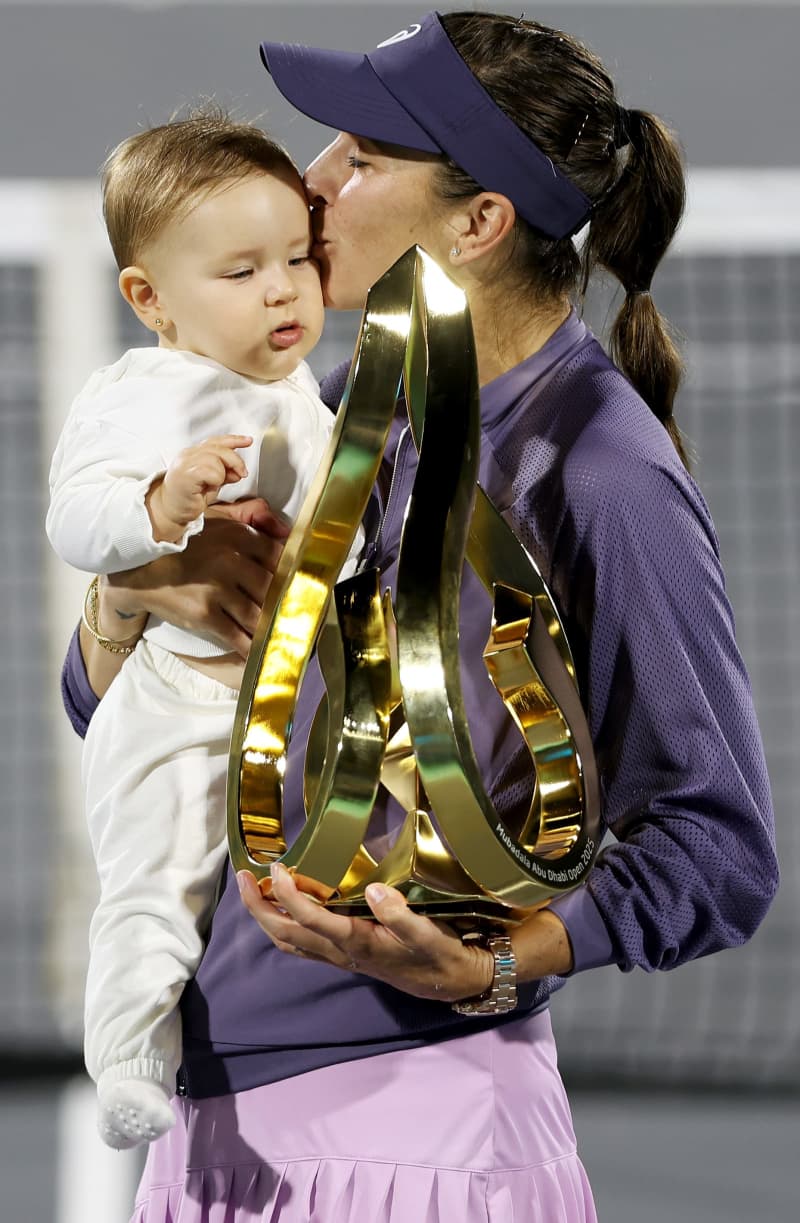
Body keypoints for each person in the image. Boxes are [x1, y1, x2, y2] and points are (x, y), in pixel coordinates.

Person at [59, 11, 778, 1221]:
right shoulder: (330, 407)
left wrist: (498, 960)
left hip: (414, 1124)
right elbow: (109, 712)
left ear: (478, 222)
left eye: (357, 156)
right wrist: (129, 601)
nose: (311, 182)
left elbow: (717, 850)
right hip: (214, 1113)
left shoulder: (598, 468)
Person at [48, 108, 362, 1151]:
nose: (282, 288)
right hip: (180, 701)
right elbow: (74, 517)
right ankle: (131, 1051)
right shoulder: (143, 392)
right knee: (159, 870)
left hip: (283, 708)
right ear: (150, 300)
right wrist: (158, 508)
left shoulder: (314, 403)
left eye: (294, 259)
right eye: (240, 272)